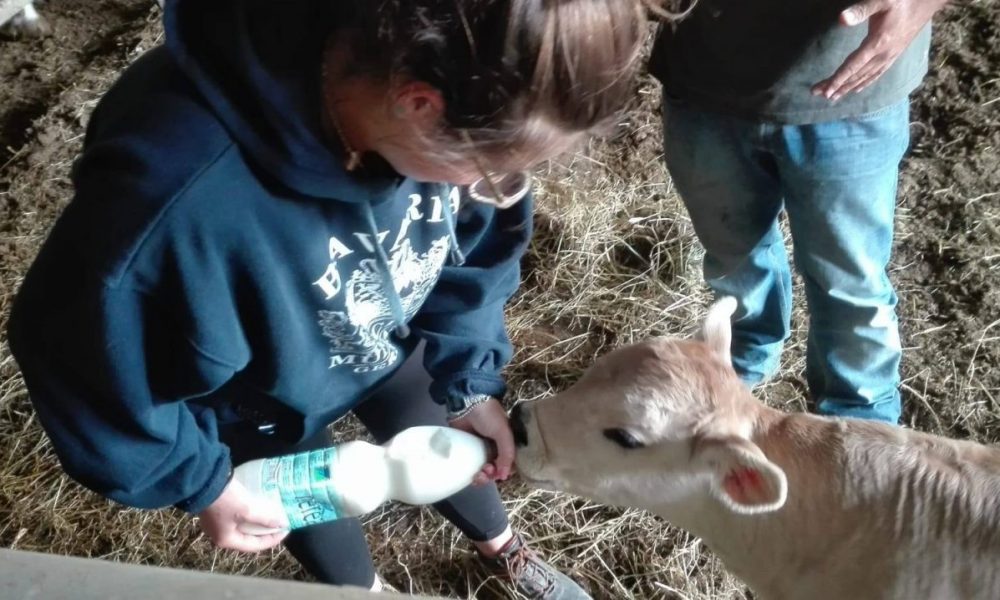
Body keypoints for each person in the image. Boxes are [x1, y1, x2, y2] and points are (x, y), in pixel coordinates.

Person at [7, 0, 657, 596]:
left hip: (380, 330)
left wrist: (472, 379)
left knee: (446, 440)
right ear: (419, 105)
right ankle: (360, 591)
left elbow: (478, 249)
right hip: (258, 392)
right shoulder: (174, 197)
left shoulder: (464, 97)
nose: (503, 186)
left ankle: (505, 551)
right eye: (490, 167)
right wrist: (201, 481)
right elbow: (75, 348)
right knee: (308, 498)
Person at [652, 0, 949, 424]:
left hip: (850, 82)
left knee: (849, 280)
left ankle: (859, 419)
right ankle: (738, 363)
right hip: (702, 72)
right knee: (732, 254)